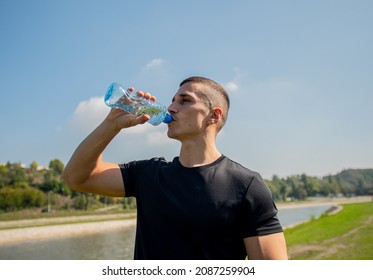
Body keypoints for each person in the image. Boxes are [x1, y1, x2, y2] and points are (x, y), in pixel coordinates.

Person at [62, 76, 288, 260]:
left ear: (213, 115)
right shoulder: (148, 174)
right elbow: (76, 178)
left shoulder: (246, 185)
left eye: (185, 100)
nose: (171, 107)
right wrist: (111, 124)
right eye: (172, 101)